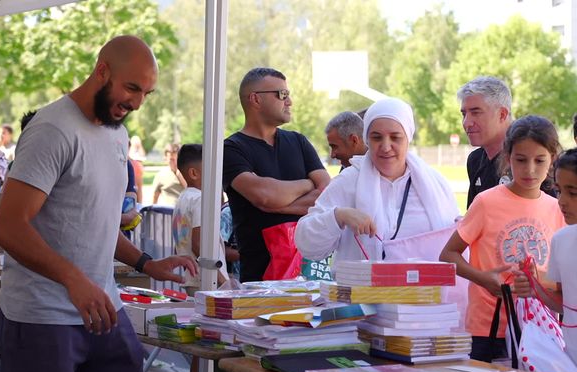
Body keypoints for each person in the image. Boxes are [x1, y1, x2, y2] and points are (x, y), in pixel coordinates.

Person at [0, 35, 197, 372]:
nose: (135, 103)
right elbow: (9, 227)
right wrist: (74, 279)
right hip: (42, 317)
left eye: (146, 94)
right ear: (102, 72)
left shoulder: (118, 133)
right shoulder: (52, 129)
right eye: (131, 88)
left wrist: (146, 263)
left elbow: (93, 222)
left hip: (103, 309)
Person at [440, 115, 565, 363]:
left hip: (538, 329)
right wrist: (483, 279)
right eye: (521, 160)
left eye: (539, 161)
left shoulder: (558, 208)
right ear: (507, 158)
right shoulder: (487, 202)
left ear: (552, 160)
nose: (530, 170)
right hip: (488, 328)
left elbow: (562, 278)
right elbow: (448, 254)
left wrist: (540, 282)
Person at [296, 97, 459, 265]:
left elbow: (454, 245)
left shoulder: (435, 184)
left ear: (408, 138)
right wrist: (338, 216)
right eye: (377, 137)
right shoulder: (349, 181)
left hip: (425, 291)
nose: (386, 146)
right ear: (367, 140)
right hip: (361, 291)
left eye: (395, 137)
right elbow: (306, 244)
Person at [223, 67, 330, 282]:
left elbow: (327, 193)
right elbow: (264, 195)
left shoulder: (298, 141)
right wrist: (308, 184)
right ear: (255, 99)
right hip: (260, 278)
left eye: (288, 95)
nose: (289, 101)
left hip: (308, 274)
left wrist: (275, 204)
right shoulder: (231, 149)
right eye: (282, 95)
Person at [514, 148, 577, 366]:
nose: (562, 201)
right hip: (571, 363)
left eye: (573, 193)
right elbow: (565, 306)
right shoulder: (561, 240)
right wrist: (535, 289)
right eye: (559, 191)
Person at [172, 143, 228, 294]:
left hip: (193, 278)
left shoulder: (183, 198)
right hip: (208, 280)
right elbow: (199, 244)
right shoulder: (200, 199)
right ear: (194, 173)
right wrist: (222, 280)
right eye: (212, 169)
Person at [458, 76, 513, 207]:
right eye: (464, 114)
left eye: (476, 112)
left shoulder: (528, 159)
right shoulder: (475, 160)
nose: (466, 123)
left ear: (502, 114)